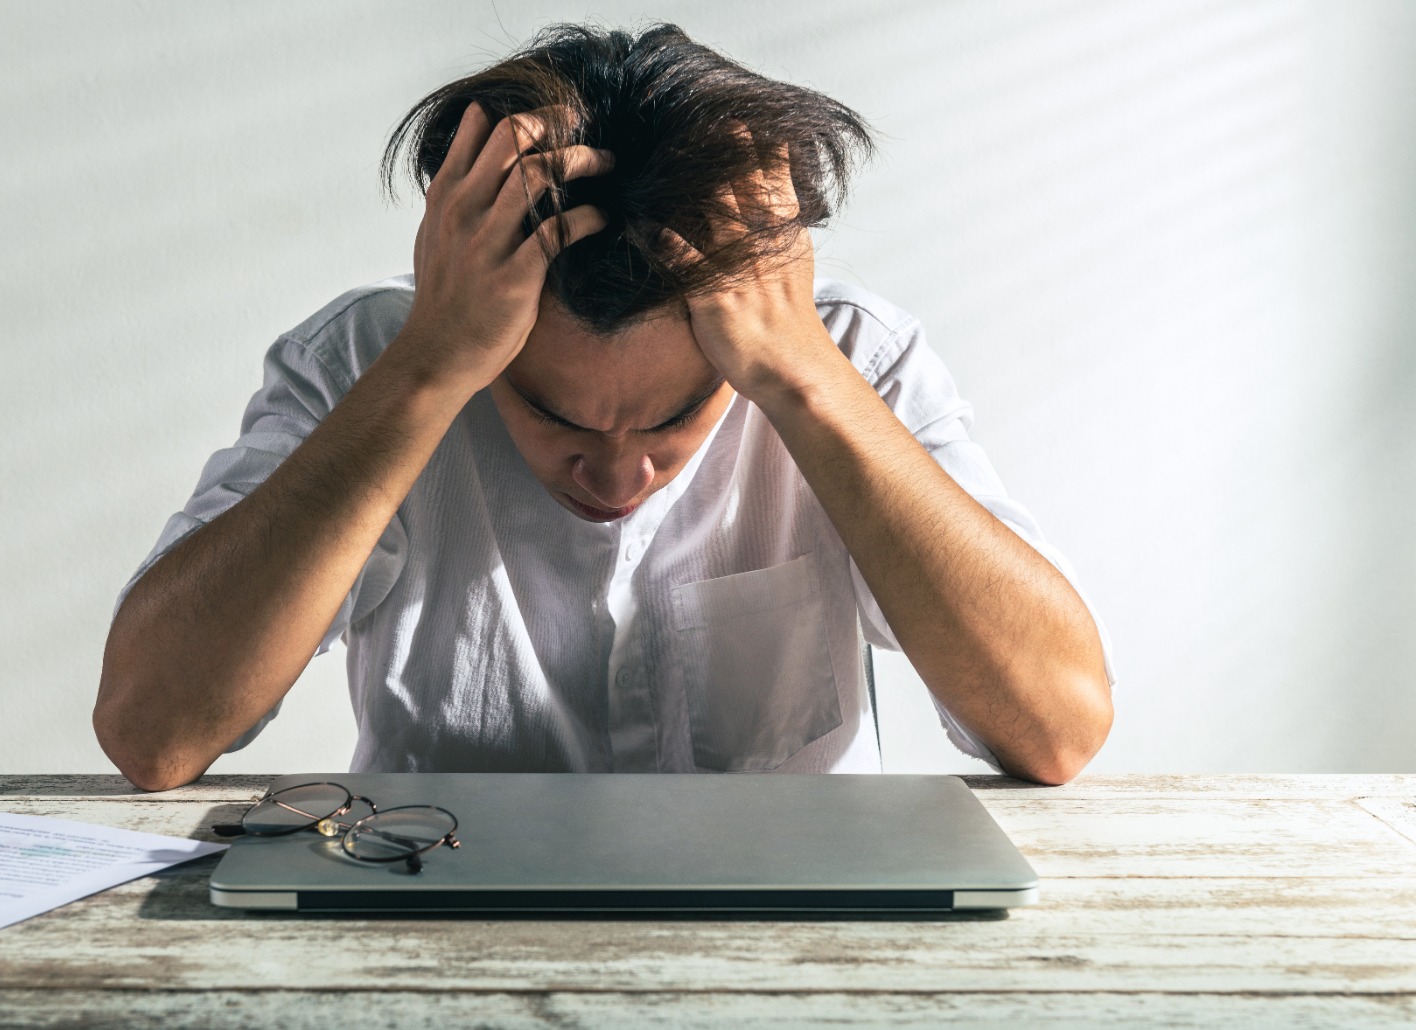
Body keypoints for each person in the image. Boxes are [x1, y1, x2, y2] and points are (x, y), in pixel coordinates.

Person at [94, 23, 1115, 792]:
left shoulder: (844, 359)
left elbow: (1057, 729)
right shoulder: (373, 362)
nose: (622, 477)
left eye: (675, 425)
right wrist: (427, 371)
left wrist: (802, 381)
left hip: (798, 948)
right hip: (432, 930)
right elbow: (153, 731)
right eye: (558, 422)